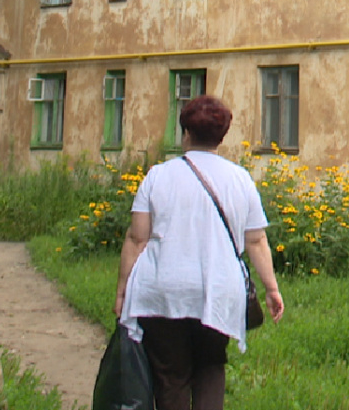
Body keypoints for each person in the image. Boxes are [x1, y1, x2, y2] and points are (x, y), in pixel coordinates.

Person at [114, 95, 284, 410]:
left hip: (162, 291)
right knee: (210, 366)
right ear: (222, 136)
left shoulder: (158, 176)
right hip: (218, 290)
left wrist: (123, 290)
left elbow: (137, 239)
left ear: (186, 133)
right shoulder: (240, 179)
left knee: (170, 376)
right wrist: (271, 289)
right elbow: (256, 240)